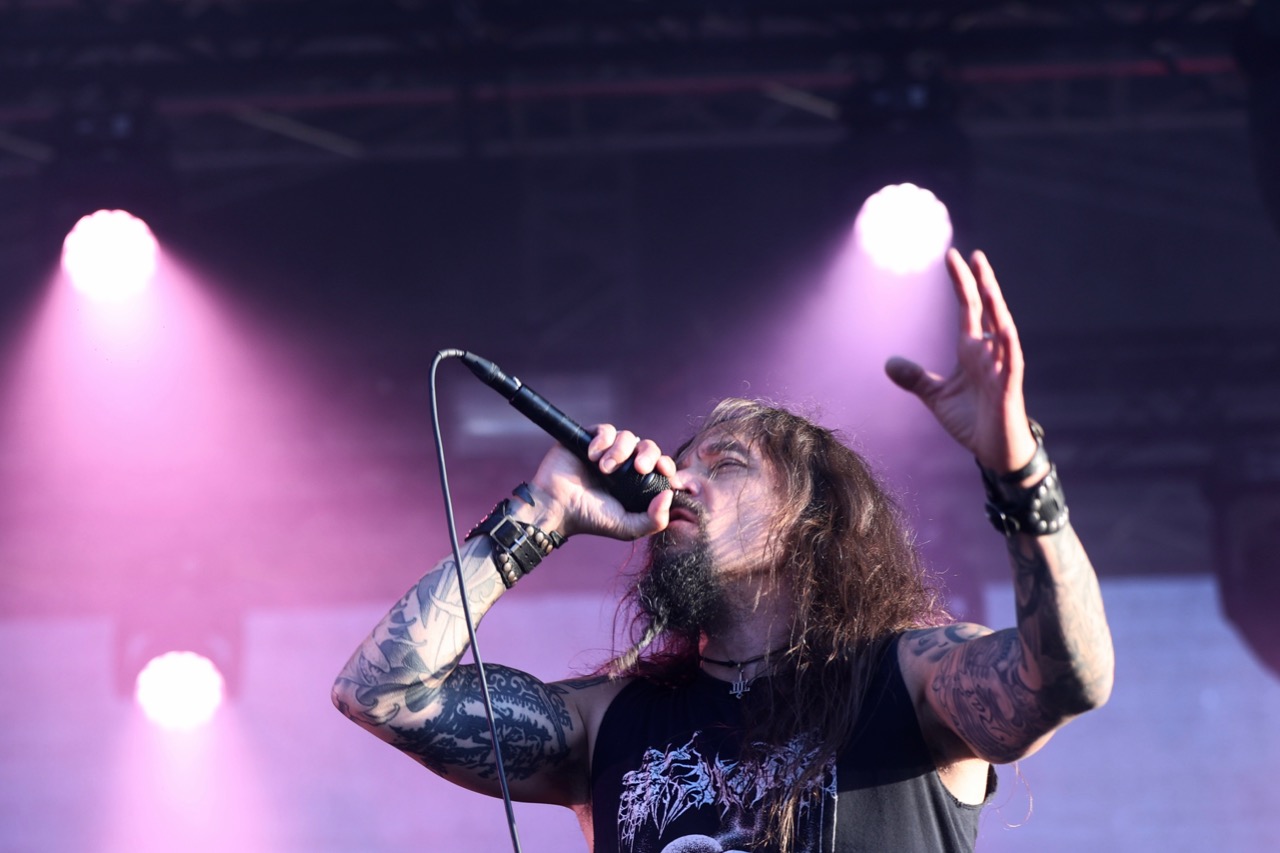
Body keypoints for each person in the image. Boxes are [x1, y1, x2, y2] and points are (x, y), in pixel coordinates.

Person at [331, 248, 1115, 853]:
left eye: (726, 463)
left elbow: (1068, 677)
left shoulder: (904, 679)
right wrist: (540, 512)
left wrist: (1020, 474)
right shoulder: (611, 719)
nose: (680, 480)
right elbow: (379, 692)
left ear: (811, 519)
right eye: (682, 462)